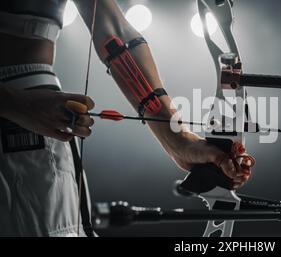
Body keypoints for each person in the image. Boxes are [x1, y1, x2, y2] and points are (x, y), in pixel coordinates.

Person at [0, 0, 253, 237]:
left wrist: (177, 139)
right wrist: (16, 103)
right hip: (27, 113)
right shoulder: (26, 106)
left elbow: (113, 33)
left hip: (30, 119)